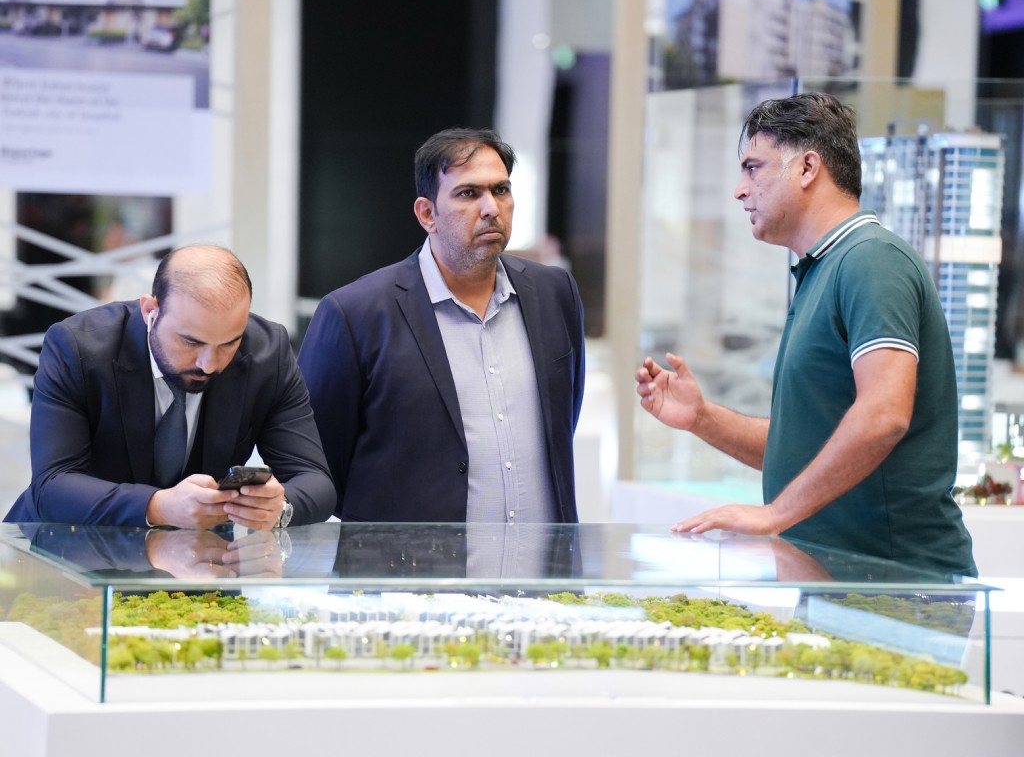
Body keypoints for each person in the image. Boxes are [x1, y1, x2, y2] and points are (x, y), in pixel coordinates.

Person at [635, 93, 976, 577]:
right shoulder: (824, 270)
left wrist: (775, 514)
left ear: (808, 168)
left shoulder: (871, 259)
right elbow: (803, 446)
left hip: (896, 586)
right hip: (843, 585)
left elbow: (883, 415)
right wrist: (703, 418)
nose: (739, 190)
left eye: (753, 168)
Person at [298, 127, 585, 523]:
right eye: (468, 194)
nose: (491, 208)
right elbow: (317, 466)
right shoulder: (355, 314)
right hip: (410, 561)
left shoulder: (555, 294)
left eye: (501, 190)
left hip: (543, 561)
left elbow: (561, 422)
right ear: (427, 214)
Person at [5, 244, 336, 530]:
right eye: (191, 342)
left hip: (196, 561)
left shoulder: (268, 354)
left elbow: (317, 483)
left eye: (228, 344)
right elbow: (52, 486)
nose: (209, 364)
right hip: (63, 550)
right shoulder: (78, 348)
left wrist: (278, 506)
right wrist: (158, 506)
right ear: (150, 311)